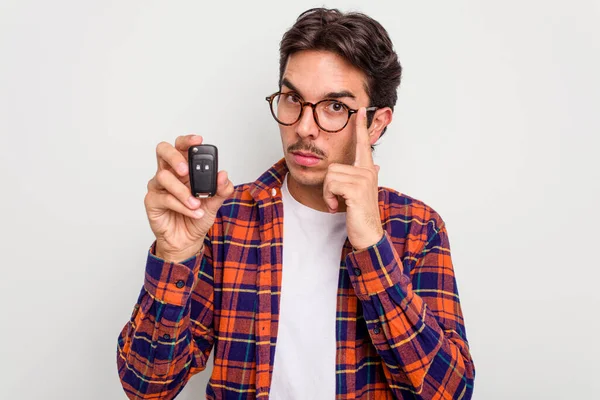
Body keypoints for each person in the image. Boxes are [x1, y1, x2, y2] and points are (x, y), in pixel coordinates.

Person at [116, 7, 475, 400]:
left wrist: (372, 246)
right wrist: (174, 256)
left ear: (376, 123)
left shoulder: (418, 229)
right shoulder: (225, 221)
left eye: (335, 107)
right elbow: (146, 387)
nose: (304, 127)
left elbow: (448, 394)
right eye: (292, 99)